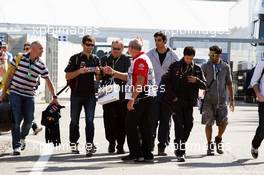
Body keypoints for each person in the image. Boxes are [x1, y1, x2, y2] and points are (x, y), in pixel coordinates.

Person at [0, 41, 59, 155]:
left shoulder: (41, 65)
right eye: (40, 49)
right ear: (33, 49)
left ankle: (22, 138)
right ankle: (16, 146)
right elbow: (9, 75)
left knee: (29, 120)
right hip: (15, 93)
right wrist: (3, 93)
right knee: (16, 119)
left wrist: (54, 96)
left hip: (29, 95)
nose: (42, 51)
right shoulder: (19, 57)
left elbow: (48, 81)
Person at [102, 38, 156, 162]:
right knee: (144, 126)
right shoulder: (139, 59)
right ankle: (147, 153)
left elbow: (140, 81)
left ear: (132, 48)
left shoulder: (140, 60)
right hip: (144, 97)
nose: (127, 50)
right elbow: (131, 77)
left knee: (130, 125)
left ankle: (135, 153)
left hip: (141, 97)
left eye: (128, 48)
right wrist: (114, 72)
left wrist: (132, 98)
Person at [164, 46, 206, 162]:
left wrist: (196, 80)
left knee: (189, 125)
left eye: (191, 58)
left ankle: (180, 143)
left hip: (189, 103)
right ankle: (180, 152)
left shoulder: (197, 69)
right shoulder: (175, 66)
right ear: (183, 55)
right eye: (187, 58)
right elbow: (166, 82)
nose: (188, 60)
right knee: (178, 126)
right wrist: (173, 97)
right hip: (177, 102)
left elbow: (205, 85)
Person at [65, 35, 101, 157]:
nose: (90, 47)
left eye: (92, 45)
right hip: (76, 95)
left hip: (90, 95)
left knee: (90, 121)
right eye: (88, 44)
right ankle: (74, 144)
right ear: (82, 44)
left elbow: (98, 78)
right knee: (74, 121)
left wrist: (97, 72)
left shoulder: (96, 59)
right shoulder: (75, 58)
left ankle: (89, 146)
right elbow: (67, 76)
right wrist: (79, 72)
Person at [146, 31, 178, 155]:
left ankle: (162, 146)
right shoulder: (150, 54)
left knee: (165, 121)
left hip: (167, 93)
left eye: (159, 40)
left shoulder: (173, 55)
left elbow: (177, 74)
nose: (157, 42)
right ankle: (150, 144)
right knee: (152, 120)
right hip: (153, 92)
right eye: (155, 40)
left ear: (165, 41)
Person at [201, 45, 234, 156]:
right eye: (209, 54)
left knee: (224, 122)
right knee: (209, 123)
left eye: (213, 54)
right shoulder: (205, 66)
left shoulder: (225, 67)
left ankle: (218, 138)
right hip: (208, 101)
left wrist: (232, 100)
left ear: (218, 55)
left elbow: (229, 83)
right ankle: (210, 144)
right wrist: (200, 95)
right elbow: (200, 82)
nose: (210, 56)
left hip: (222, 101)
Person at [100, 40, 131, 154]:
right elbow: (98, 77)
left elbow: (128, 77)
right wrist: (100, 72)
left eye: (118, 49)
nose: (115, 51)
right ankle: (111, 142)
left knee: (121, 121)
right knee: (108, 121)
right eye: (114, 48)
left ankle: (120, 145)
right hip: (107, 92)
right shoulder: (104, 59)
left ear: (122, 49)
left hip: (122, 94)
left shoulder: (126, 59)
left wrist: (114, 72)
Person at [22, 42, 43, 135]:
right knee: (25, 112)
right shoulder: (21, 59)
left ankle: (33, 127)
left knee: (28, 112)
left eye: (28, 48)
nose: (28, 50)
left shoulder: (37, 61)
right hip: (18, 90)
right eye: (26, 49)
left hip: (30, 91)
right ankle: (34, 127)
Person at [250, 60, 264, 159]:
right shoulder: (262, 63)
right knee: (263, 128)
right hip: (263, 101)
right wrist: (258, 94)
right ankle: (255, 145)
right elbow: (254, 81)